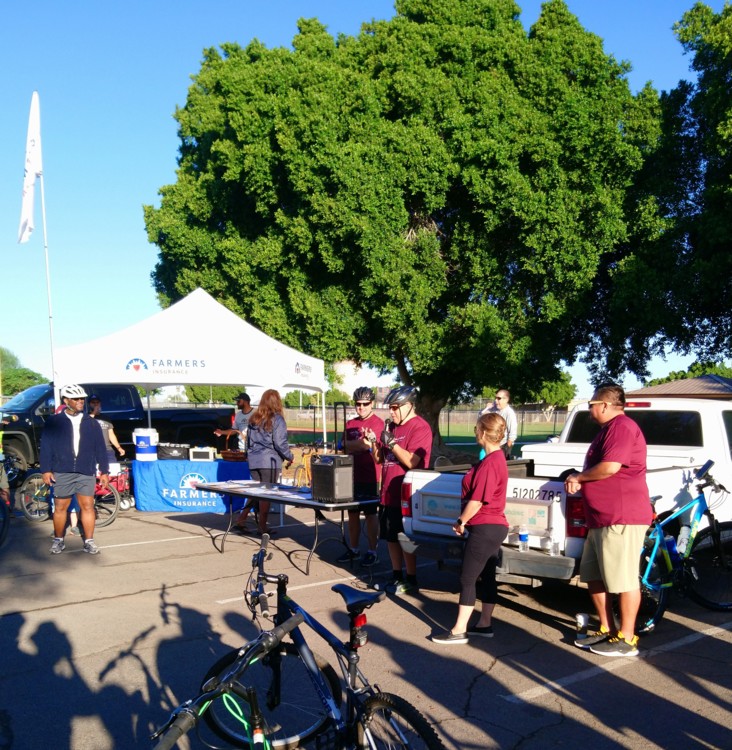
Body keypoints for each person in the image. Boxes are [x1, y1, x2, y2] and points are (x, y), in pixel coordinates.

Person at [564, 383, 652, 657]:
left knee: (623, 580)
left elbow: (611, 467)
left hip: (621, 517)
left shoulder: (622, 427)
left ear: (604, 405)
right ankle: (608, 629)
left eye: (591, 404)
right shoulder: (608, 430)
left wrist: (579, 477)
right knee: (593, 576)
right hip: (600, 519)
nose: (589, 409)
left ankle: (627, 638)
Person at [432, 412, 509, 644]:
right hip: (493, 527)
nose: (475, 432)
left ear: (483, 432)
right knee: (487, 576)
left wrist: (461, 521)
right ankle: (484, 624)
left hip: (485, 526)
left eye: (477, 428)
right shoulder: (495, 459)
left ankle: (459, 630)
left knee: (467, 578)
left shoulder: (491, 463)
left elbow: (477, 501)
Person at [368, 385, 432, 595]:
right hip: (387, 491)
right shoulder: (392, 427)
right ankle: (396, 575)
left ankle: (411, 578)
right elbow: (380, 459)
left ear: (409, 405)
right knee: (391, 536)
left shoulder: (420, 427)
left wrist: (393, 444)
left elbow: (413, 461)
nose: (391, 411)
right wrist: (373, 443)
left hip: (406, 494)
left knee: (404, 538)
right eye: (390, 407)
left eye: (395, 407)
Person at [41, 384, 110, 555]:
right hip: (62, 470)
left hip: (85, 470)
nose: (81, 401)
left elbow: (100, 449)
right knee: (60, 507)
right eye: (76, 399)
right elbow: (46, 446)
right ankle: (58, 540)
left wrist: (104, 471)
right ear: (66, 401)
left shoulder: (92, 423)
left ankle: (89, 541)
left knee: (88, 506)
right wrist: (46, 470)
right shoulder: (54, 421)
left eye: (82, 399)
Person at [338, 387, 384, 567]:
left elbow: (367, 446)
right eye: (358, 404)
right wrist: (357, 444)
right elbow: (342, 445)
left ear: (371, 404)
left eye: (365, 404)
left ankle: (372, 551)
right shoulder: (350, 423)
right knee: (353, 514)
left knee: (371, 515)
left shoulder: (377, 423)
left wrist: (353, 445)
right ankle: (354, 549)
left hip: (371, 476)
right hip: (351, 476)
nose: (361, 407)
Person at [242, 389, 293, 535]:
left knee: (256, 492)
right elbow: (280, 442)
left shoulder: (254, 418)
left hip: (254, 459)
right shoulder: (277, 419)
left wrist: (248, 455)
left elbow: (248, 441)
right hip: (269, 461)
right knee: (266, 494)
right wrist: (289, 456)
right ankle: (262, 526)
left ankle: (241, 519)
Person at [88, 395, 125, 462]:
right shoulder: (85, 417)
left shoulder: (105, 418)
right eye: (93, 402)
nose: (95, 404)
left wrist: (118, 447)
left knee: (112, 466)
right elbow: (86, 425)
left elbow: (111, 434)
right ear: (89, 404)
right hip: (92, 450)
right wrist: (94, 412)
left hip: (107, 449)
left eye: (97, 402)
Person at [481, 389, 517, 459]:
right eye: (496, 398)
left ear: (506, 400)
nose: (496, 400)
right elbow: (481, 416)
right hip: (493, 445)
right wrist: (486, 408)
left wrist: (506, 449)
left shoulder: (509, 413)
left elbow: (512, 435)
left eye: (499, 398)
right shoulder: (494, 409)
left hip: (503, 446)